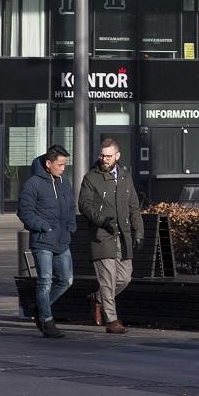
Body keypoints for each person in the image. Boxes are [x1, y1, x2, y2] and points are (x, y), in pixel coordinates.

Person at [78, 135, 144, 334]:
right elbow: (84, 205)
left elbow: (133, 206)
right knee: (108, 278)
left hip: (123, 236)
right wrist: (100, 220)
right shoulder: (91, 177)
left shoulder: (125, 176)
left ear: (117, 155)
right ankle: (112, 319)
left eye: (108, 156)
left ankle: (97, 298)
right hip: (102, 235)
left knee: (124, 278)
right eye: (102, 155)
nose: (104, 159)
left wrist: (138, 232)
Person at [17, 143, 77, 338]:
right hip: (42, 240)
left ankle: (40, 308)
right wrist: (43, 226)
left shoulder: (64, 183)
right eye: (60, 164)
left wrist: (71, 226)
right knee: (45, 281)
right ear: (48, 163)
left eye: (65, 164)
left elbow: (70, 208)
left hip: (61, 240)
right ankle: (47, 321)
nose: (63, 168)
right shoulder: (33, 183)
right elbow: (24, 211)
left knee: (66, 280)